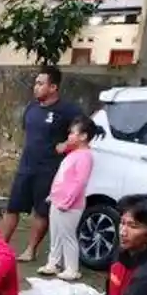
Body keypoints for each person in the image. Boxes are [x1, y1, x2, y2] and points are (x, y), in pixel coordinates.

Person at [1, 65, 83, 262]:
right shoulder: (31, 108)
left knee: (41, 211)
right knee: (13, 207)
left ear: (53, 87)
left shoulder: (68, 110)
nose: (35, 87)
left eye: (40, 84)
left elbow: (86, 131)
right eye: (35, 83)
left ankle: (30, 250)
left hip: (49, 169)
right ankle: (1, 246)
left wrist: (66, 145)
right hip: (26, 166)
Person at [39, 115, 100, 281]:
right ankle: (53, 263)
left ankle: (72, 268)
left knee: (67, 235)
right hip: (58, 200)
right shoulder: (74, 153)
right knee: (56, 234)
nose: (69, 136)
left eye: (73, 133)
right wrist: (53, 195)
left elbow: (80, 182)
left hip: (70, 204)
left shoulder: (85, 156)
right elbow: (62, 177)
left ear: (84, 136)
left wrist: (68, 201)